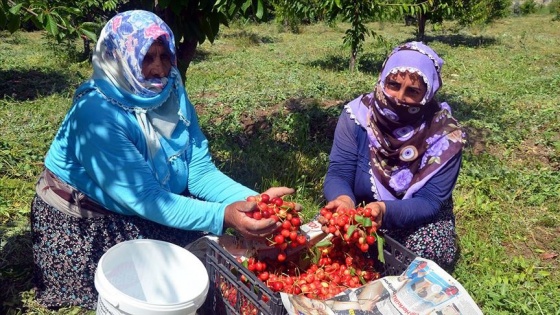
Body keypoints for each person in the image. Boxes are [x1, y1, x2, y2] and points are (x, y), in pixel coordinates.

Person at [30, 10, 294, 310]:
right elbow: (145, 199)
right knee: (143, 288)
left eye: (164, 56)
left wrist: (254, 202)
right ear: (118, 58)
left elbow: (199, 169)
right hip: (92, 220)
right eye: (146, 57)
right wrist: (224, 216)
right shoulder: (97, 115)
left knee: (194, 264)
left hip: (149, 200)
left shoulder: (170, 90)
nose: (158, 68)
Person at [323, 41, 465, 271]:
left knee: (425, 253)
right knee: (329, 243)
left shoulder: (444, 136)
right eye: (393, 84)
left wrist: (384, 211)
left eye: (413, 91)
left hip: (416, 218)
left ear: (428, 94)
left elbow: (429, 201)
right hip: (364, 212)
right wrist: (343, 200)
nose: (399, 97)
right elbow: (339, 170)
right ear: (382, 79)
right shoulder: (358, 115)